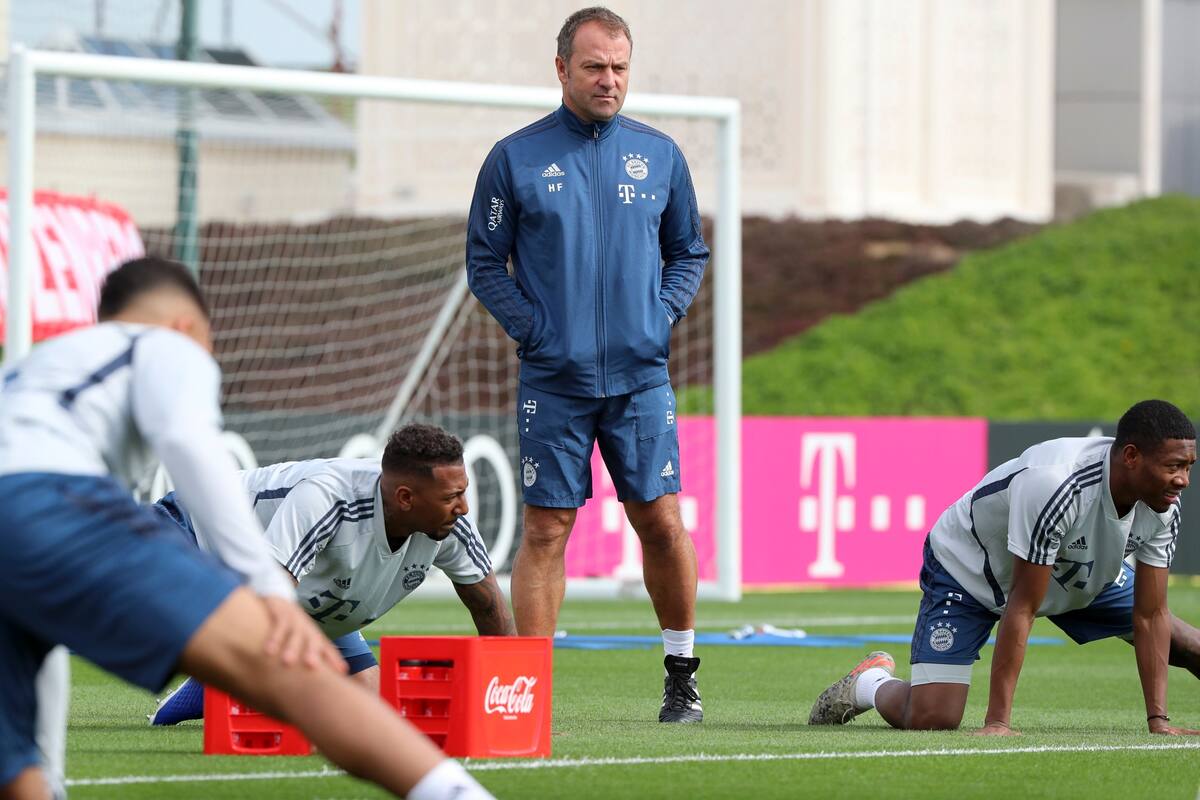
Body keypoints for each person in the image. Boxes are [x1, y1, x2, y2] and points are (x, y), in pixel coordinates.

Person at [0, 257, 493, 799]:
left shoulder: (34, 367)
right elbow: (192, 449)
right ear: (187, 325)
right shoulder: (166, 345)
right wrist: (266, 591)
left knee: (16, 754)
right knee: (292, 670)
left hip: (22, 536)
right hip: (50, 502)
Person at [466, 6, 709, 724]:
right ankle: (531, 691)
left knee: (659, 520)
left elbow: (688, 251)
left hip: (640, 379)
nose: (609, 79)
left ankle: (681, 675)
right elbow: (485, 261)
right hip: (553, 380)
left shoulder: (660, 155)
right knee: (546, 530)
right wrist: (533, 329)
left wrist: (658, 316)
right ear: (562, 68)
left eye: (620, 67)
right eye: (595, 66)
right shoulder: (514, 158)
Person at [809, 399, 1200, 736]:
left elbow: (1151, 614)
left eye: (1189, 467)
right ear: (1131, 457)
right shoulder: (1055, 484)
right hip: (970, 570)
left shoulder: (1163, 501)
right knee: (933, 716)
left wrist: (1158, 720)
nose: (1183, 480)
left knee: (1191, 646)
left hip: (1075, 570)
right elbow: (1023, 605)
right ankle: (870, 682)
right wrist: (998, 721)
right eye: (1174, 466)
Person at [147, 424, 516, 725]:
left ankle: (212, 683)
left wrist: (512, 697)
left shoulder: (451, 525)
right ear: (406, 498)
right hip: (196, 532)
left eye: (463, 493)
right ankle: (216, 669)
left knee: (372, 709)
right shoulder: (327, 498)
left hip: (306, 600)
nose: (463, 507)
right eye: (451, 497)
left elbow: (489, 610)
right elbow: (266, 597)